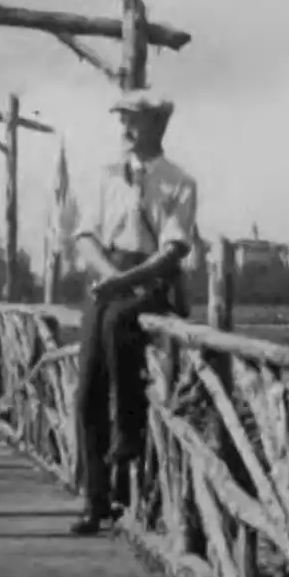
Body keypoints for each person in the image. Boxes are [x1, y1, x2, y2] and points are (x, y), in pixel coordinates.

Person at [68, 89, 198, 536]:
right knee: (87, 390)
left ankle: (128, 439)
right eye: (122, 119)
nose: (125, 128)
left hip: (149, 279)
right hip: (109, 276)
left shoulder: (179, 181)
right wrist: (109, 277)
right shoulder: (106, 176)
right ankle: (95, 498)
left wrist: (125, 283)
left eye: (135, 120)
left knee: (121, 322)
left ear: (158, 125)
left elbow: (174, 249)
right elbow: (84, 235)